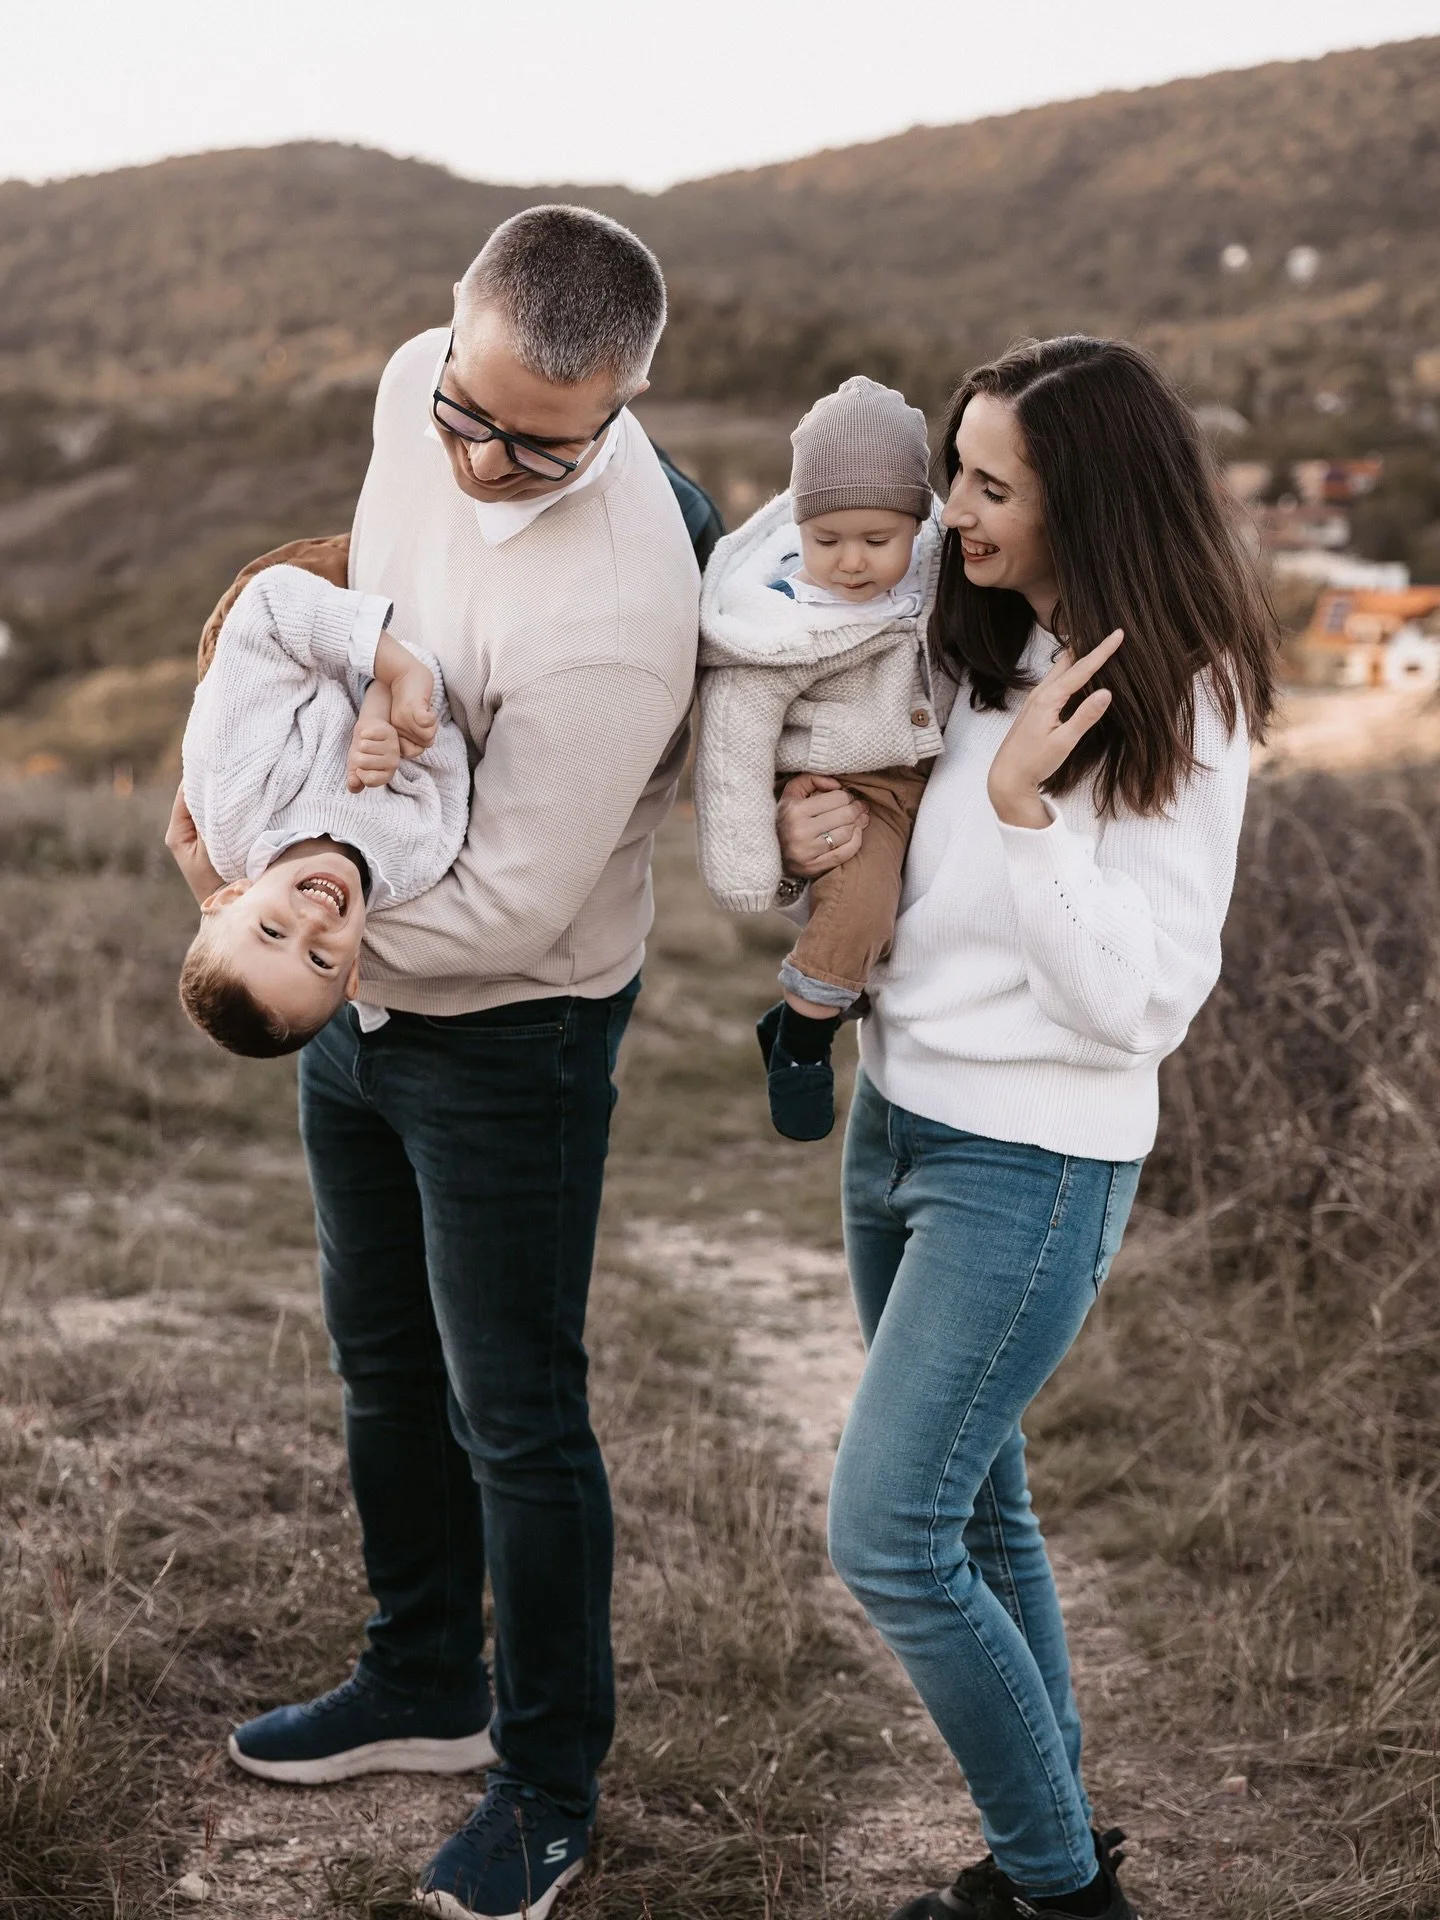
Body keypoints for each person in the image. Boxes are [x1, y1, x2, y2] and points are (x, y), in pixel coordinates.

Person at [169, 205, 700, 1920]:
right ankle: (419, 1681)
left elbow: (509, 914)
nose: (476, 459)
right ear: (448, 344)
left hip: (511, 1037)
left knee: (517, 1417)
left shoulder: (624, 610)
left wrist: (273, 915)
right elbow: (354, 596)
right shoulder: (423, 387)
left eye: (536, 444)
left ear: (625, 403)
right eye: (466, 413)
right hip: (358, 985)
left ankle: (548, 1785)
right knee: (383, 1364)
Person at [774, 336, 1277, 1920]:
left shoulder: (1183, 704)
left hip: (1036, 1168)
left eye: (993, 487)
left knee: (891, 1537)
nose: (953, 513)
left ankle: (1064, 1895)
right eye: (956, 472)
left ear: (1091, 503)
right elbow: (910, 898)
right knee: (980, 1507)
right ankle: (1039, 1855)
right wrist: (820, 840)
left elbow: (1139, 1005)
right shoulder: (972, 641)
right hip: (897, 1126)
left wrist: (1027, 816)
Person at [695, 376, 947, 1141]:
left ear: (918, 522)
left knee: (894, 920)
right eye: (826, 540)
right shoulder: (783, 622)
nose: (850, 564)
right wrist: (747, 864)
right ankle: (803, 1040)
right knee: (862, 899)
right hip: (847, 782)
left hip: (918, 778)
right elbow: (735, 734)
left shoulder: (937, 580)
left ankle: (811, 1005)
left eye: (878, 541)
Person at [173, 563, 468, 1057]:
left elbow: (267, 605)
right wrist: (391, 714)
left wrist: (394, 668)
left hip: (330, 574)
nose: (311, 923)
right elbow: (445, 740)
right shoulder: (414, 864)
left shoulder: (234, 806)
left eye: (272, 930)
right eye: (320, 961)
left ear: (227, 898)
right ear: (355, 972)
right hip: (428, 599)